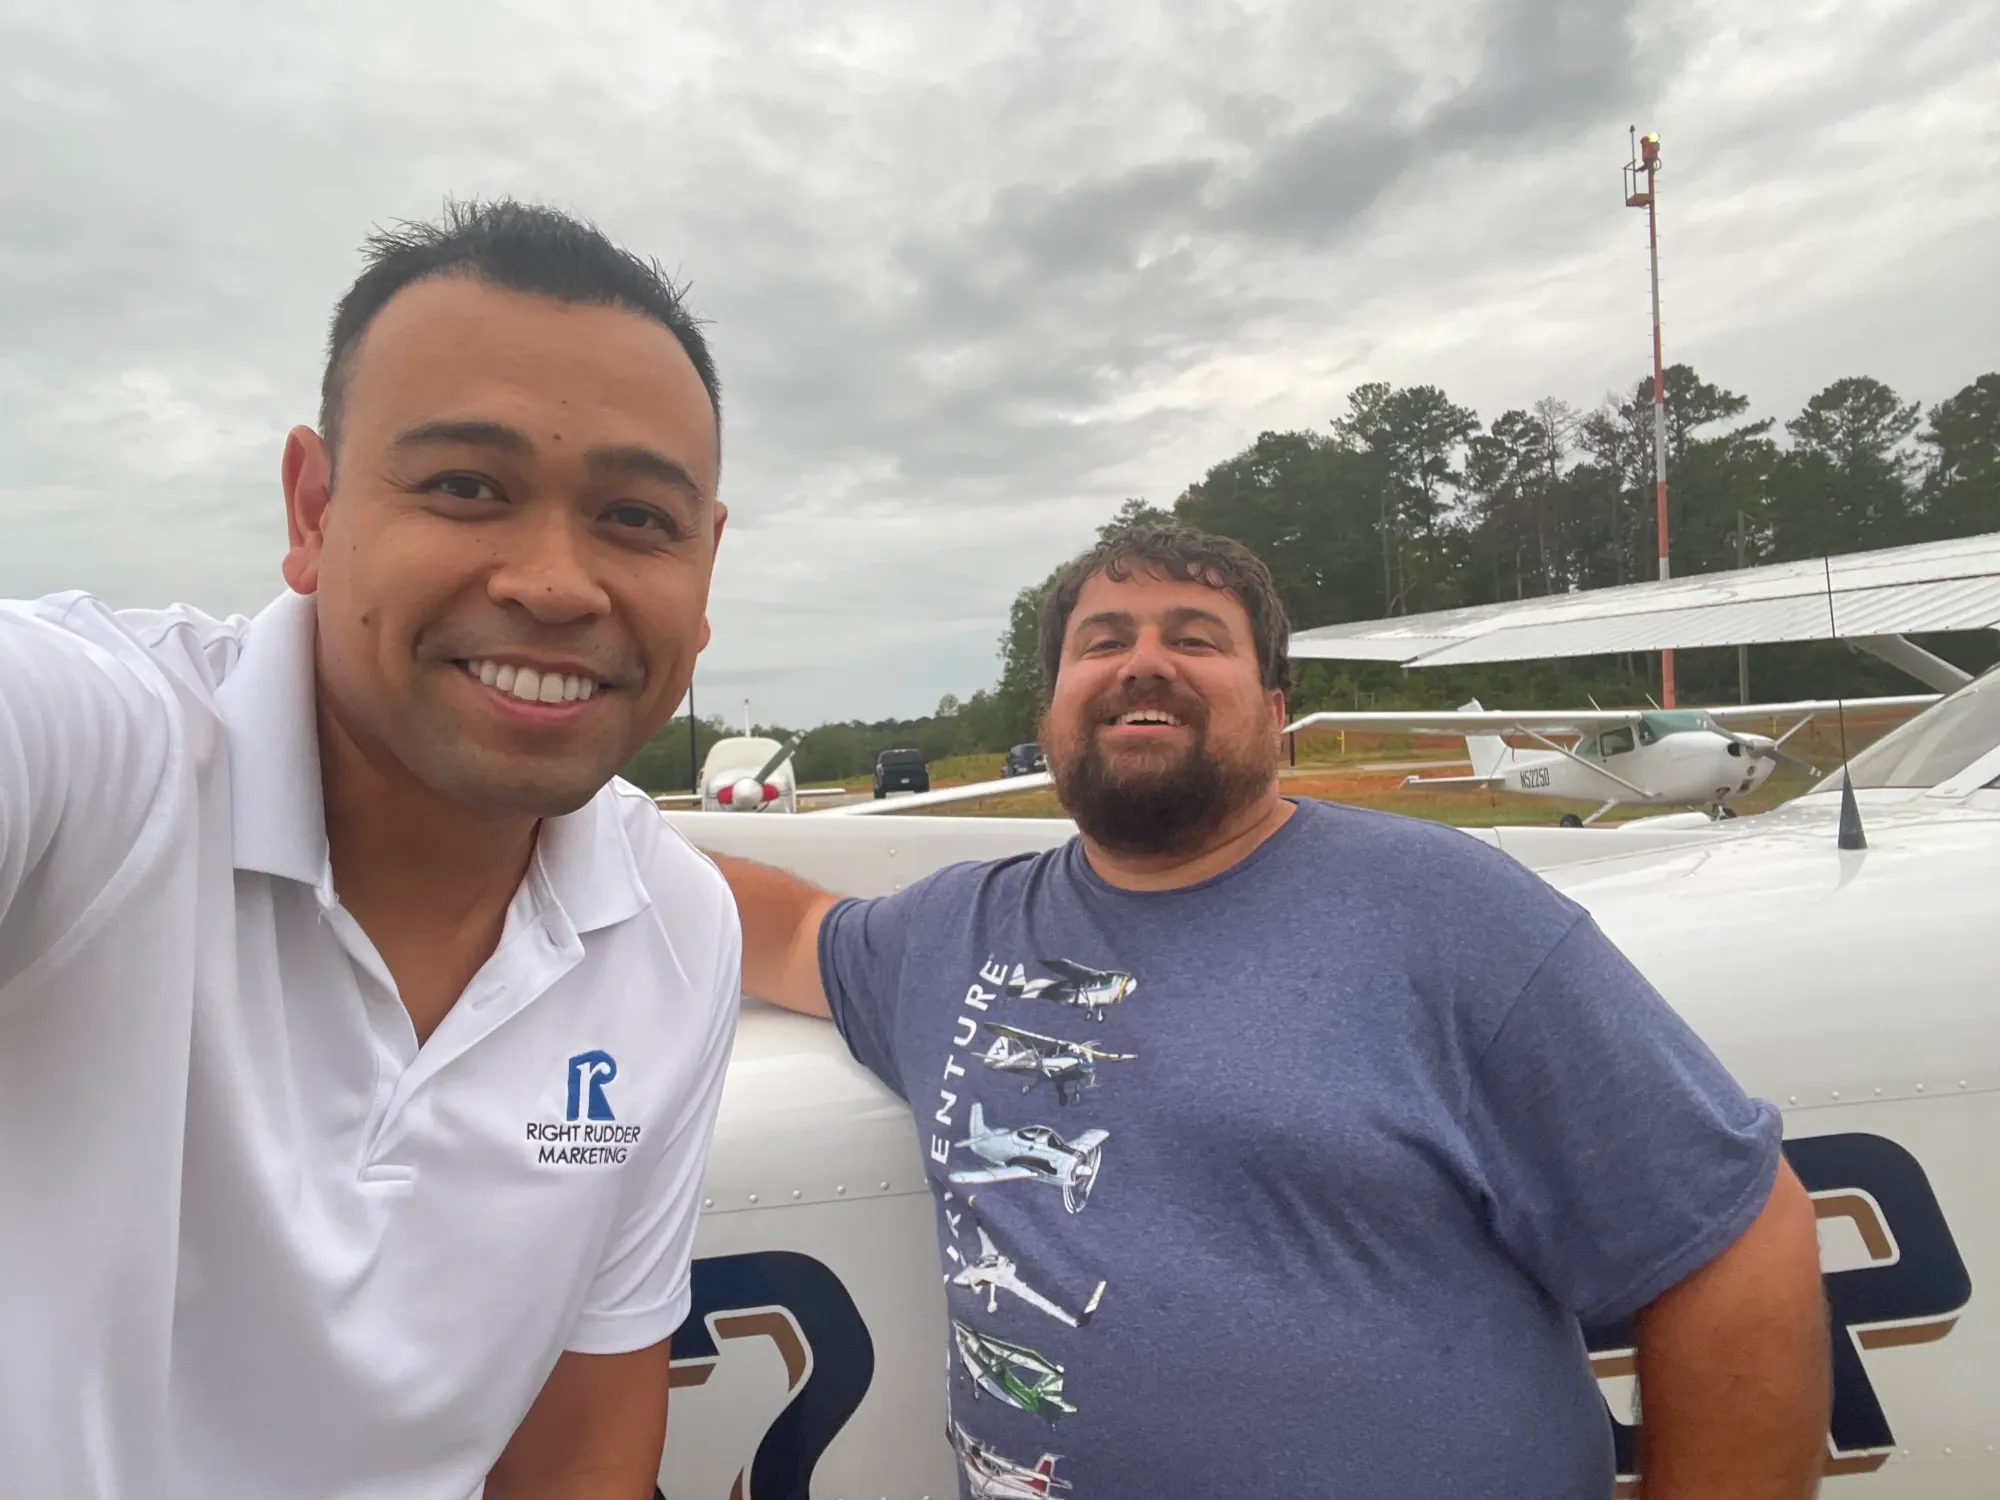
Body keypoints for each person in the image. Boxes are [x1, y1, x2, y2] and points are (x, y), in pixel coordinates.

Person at [715, 523, 1831, 1499]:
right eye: (1101, 641)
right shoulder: (949, 935)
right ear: (1051, 709)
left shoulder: (1451, 915)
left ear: (1276, 714)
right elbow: (780, 926)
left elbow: (1736, 1244)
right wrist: (555, 834)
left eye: (1194, 638)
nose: (1141, 660)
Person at [0, 202, 739, 1499]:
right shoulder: (104, 759)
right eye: (467, 486)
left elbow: (577, 1447)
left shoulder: (675, 930)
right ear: (313, 507)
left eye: (635, 517)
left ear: (706, 563)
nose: (558, 583)